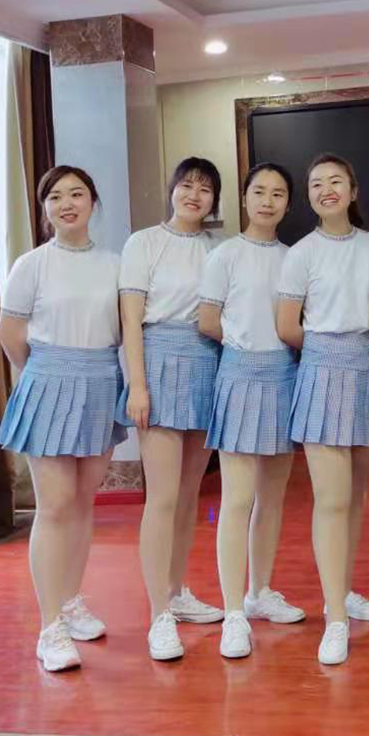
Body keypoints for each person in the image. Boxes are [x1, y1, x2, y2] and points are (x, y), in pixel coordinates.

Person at [0, 166, 123, 672]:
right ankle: (50, 627)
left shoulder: (115, 264)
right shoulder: (31, 264)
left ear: (93, 202)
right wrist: (45, 373)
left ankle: (70, 602)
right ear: (45, 207)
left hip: (101, 383)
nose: (66, 203)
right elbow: (9, 333)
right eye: (55, 196)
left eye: (77, 194)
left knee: (84, 502)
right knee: (55, 505)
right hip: (47, 382)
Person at [275, 153, 369, 665]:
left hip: (367, 371)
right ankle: (335, 618)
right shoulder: (301, 253)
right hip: (321, 371)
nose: (326, 189)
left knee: (356, 496)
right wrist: (328, 351)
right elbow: (287, 326)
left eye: (335, 181)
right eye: (317, 183)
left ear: (353, 190)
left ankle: (342, 590)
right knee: (331, 499)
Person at [118, 157, 224, 661]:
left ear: (214, 200)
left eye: (205, 189)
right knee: (160, 498)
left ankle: (177, 591)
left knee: (187, 496)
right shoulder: (143, 243)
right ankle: (158, 613)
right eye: (187, 185)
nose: (194, 195)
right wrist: (138, 385)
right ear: (172, 189)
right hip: (159, 362)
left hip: (206, 363)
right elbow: (131, 322)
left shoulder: (217, 249)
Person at [199, 163, 307, 659]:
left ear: (288, 203)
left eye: (277, 193)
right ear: (244, 198)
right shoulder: (224, 255)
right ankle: (233, 613)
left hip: (285, 375)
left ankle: (260, 592)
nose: (267, 201)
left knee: (273, 496)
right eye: (259, 192)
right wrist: (245, 346)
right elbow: (207, 320)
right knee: (237, 499)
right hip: (240, 376)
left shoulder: (294, 257)